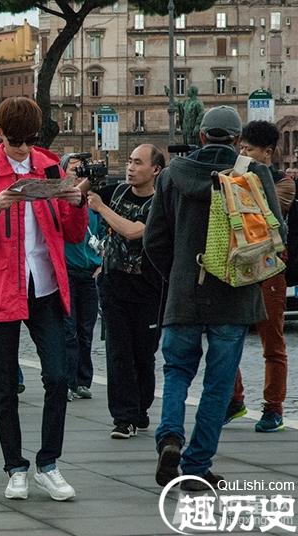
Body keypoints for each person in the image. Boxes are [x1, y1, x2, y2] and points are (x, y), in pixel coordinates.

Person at [144, 106, 286, 491]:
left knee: (176, 371)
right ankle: (196, 465)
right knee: (218, 385)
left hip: (185, 294)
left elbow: (153, 239)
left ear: (202, 136)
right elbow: (277, 232)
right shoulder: (252, 173)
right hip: (235, 296)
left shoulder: (173, 175)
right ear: (237, 140)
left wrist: (177, 276)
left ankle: (170, 436)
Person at [0, 96, 87, 501]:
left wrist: (76, 204)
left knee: (59, 376)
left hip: (44, 285)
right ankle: (15, 467)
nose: (23, 148)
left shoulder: (49, 166)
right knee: (5, 383)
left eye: (29, 140)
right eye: (15, 141)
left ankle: (49, 463)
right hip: (1, 286)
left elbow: (74, 233)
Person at [87, 144, 165, 439]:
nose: (131, 168)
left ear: (155, 169)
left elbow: (133, 230)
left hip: (148, 289)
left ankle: (140, 408)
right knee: (118, 353)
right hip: (114, 286)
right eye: (129, 162)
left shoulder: (159, 203)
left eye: (138, 163)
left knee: (144, 354)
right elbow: (78, 196)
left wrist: (101, 208)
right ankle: (123, 418)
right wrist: (88, 177)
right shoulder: (118, 191)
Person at [226, 120, 293, 433]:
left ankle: (273, 408)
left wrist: (246, 178)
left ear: (268, 153)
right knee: (228, 338)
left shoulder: (283, 182)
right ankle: (235, 400)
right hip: (239, 265)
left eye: (250, 149)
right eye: (241, 148)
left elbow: (264, 213)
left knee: (272, 342)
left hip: (270, 267)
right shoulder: (233, 179)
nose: (243, 153)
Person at [60, 154, 101, 403]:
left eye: (81, 171)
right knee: (68, 331)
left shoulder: (93, 202)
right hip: (67, 270)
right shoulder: (62, 200)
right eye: (73, 169)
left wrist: (101, 263)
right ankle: (67, 380)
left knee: (86, 331)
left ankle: (83, 380)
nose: (78, 174)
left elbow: (102, 232)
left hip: (88, 272)